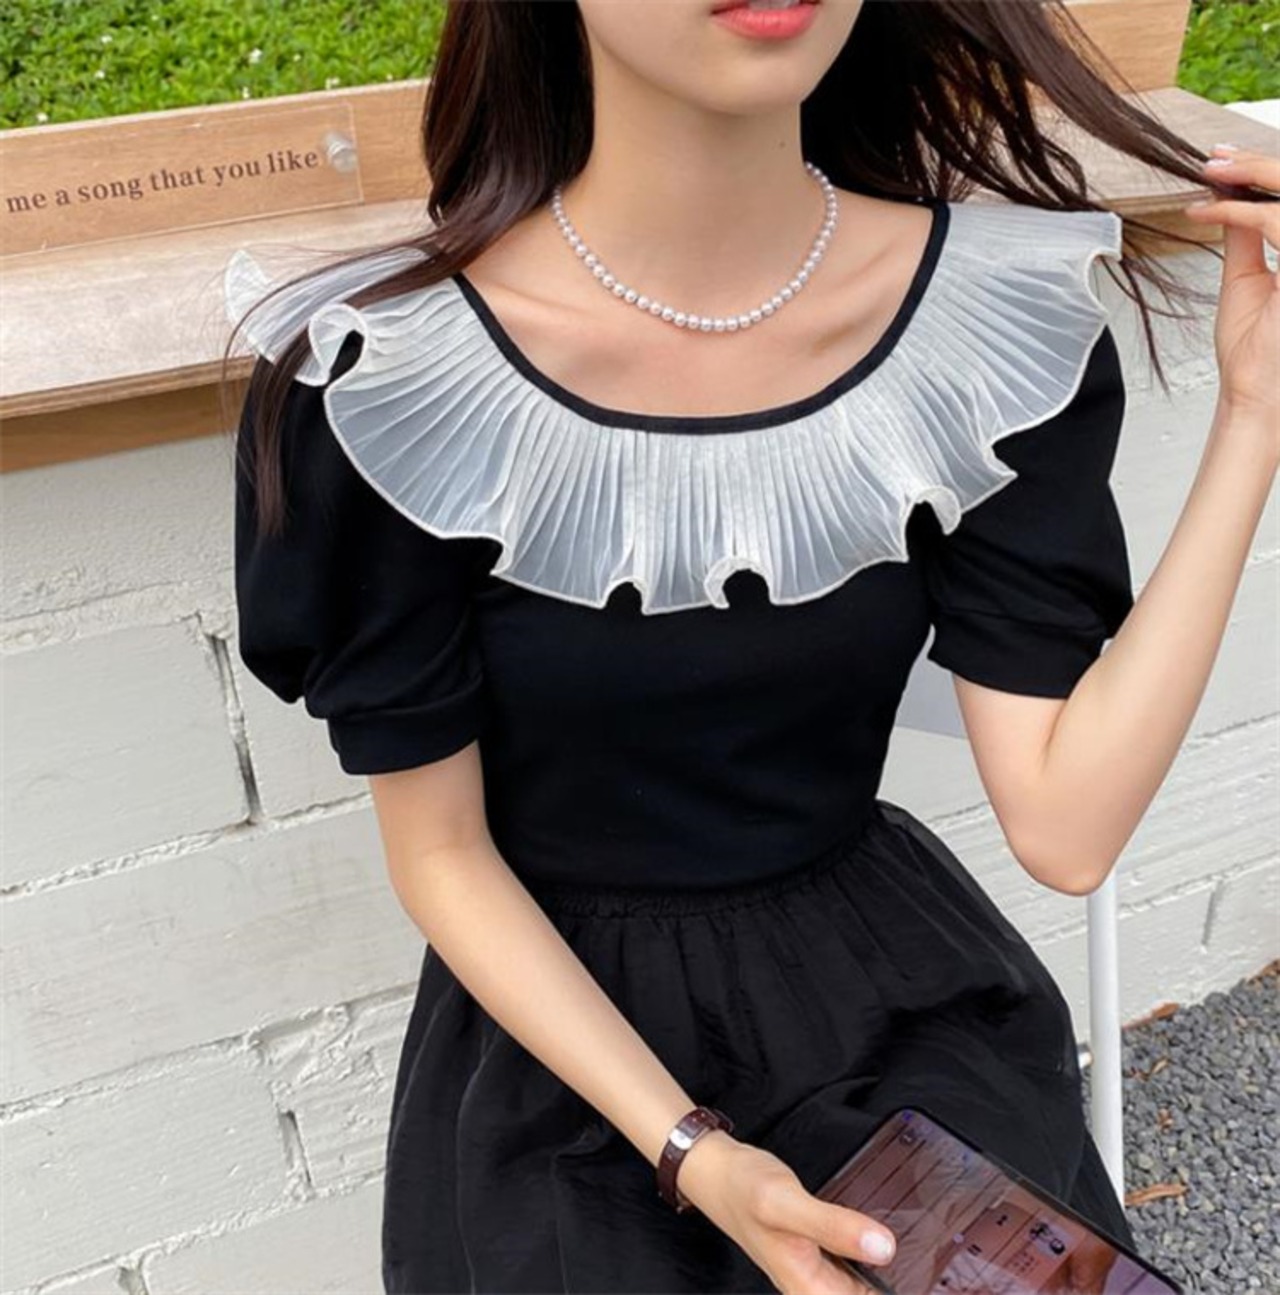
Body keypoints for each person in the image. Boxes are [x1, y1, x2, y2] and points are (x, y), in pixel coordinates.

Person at [223, 2, 1279, 1291]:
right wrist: (695, 1153)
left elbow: (1067, 829)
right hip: (571, 1066)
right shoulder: (391, 377)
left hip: (889, 1008)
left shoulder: (981, 314)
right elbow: (442, 856)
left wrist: (1255, 414)